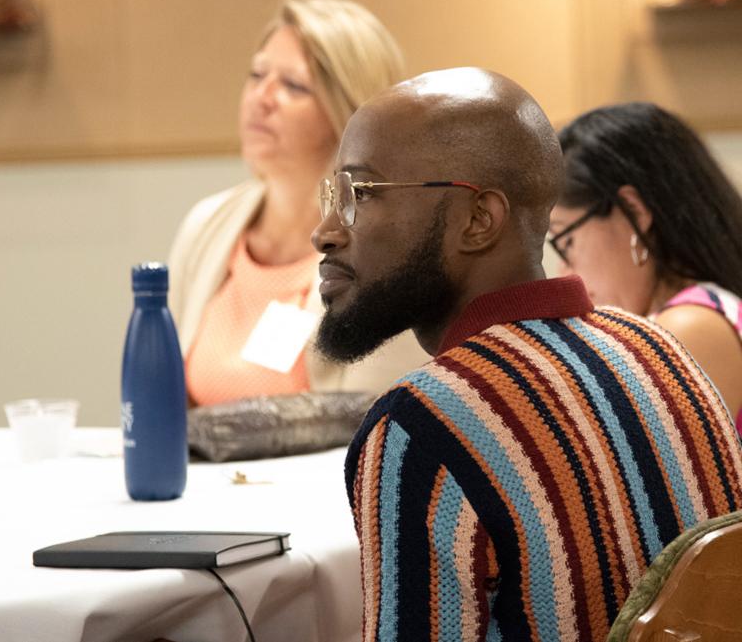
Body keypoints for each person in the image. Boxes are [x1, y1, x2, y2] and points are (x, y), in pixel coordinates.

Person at [311, 67, 742, 640]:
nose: (326, 230)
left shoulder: (422, 426)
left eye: (360, 194)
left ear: (478, 220)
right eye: (333, 196)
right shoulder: (663, 353)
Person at [168, 0, 426, 407]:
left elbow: (371, 423)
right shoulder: (206, 226)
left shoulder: (385, 249)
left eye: (293, 85)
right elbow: (169, 401)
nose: (262, 98)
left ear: (350, 112)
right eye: (256, 75)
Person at [551, 102, 742, 435]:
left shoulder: (690, 327)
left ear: (634, 211)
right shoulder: (703, 314)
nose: (563, 272)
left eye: (566, 241)